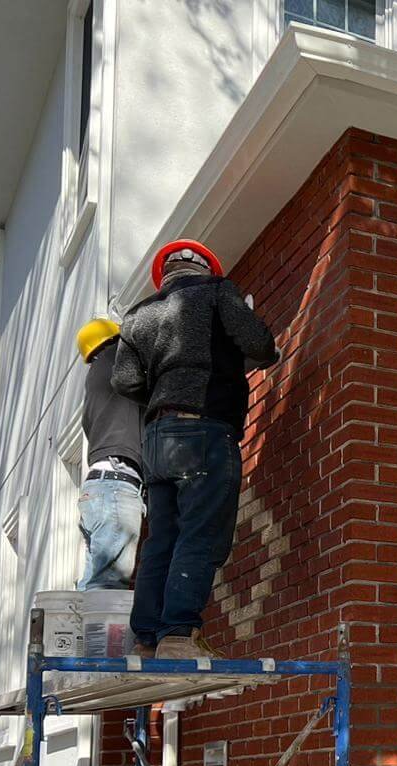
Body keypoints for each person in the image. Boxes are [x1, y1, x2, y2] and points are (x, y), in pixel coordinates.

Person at [113, 239, 279, 658]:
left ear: (164, 275)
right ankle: (178, 636)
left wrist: (165, 386)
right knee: (201, 533)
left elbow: (125, 382)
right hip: (204, 427)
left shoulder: (137, 316)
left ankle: (146, 641)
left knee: (161, 539)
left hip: (156, 437)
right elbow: (259, 345)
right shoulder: (218, 292)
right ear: (206, 268)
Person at [75, 318, 144, 591]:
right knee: (109, 584)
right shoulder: (118, 359)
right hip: (116, 484)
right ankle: (98, 637)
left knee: (93, 582)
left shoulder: (95, 381)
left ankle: (82, 634)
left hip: (97, 489)